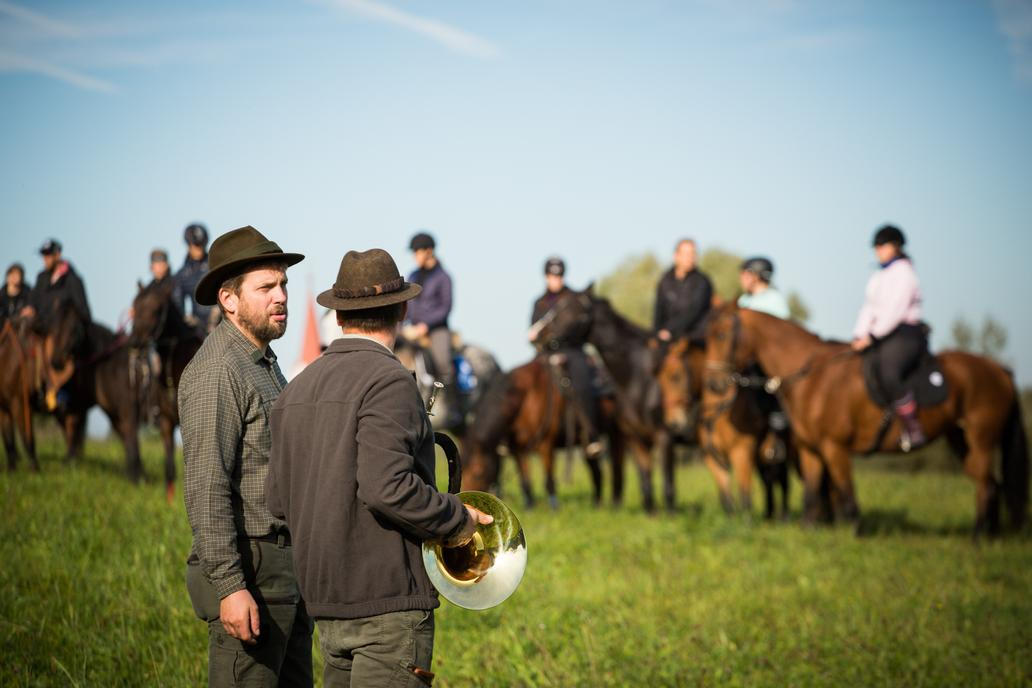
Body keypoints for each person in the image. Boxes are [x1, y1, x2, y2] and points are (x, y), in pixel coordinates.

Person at [266, 248, 492, 687]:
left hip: (325, 604)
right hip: (387, 607)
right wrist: (458, 519)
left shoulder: (295, 388)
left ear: (340, 314)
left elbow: (279, 501)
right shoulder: (389, 380)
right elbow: (387, 487)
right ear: (403, 309)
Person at [178, 226, 312, 687]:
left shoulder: (265, 363)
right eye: (267, 287)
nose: (281, 297)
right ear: (229, 300)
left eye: (284, 285)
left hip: (285, 573)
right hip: (252, 570)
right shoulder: (218, 371)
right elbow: (205, 488)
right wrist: (231, 588)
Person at [852, 224, 926, 450]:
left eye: (882, 245)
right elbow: (868, 308)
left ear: (896, 246)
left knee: (889, 371)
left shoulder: (905, 274)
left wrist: (872, 336)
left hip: (904, 333)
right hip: (879, 334)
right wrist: (858, 334)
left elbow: (895, 311)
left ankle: (913, 427)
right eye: (876, 246)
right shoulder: (879, 275)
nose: (878, 250)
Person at [529, 256, 603, 458]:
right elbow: (533, 330)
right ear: (546, 277)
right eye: (552, 275)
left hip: (571, 351)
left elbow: (583, 327)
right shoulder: (539, 303)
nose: (556, 279)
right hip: (545, 353)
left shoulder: (573, 299)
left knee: (582, 381)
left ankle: (591, 435)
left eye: (559, 275)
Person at [21, 239, 91, 411]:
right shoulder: (41, 278)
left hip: (63, 334)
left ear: (57, 255)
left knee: (57, 354)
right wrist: (29, 308)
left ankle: (60, 394)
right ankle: (27, 391)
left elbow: (84, 311)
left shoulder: (72, 279)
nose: (45, 259)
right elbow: (33, 301)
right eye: (43, 256)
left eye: (48, 255)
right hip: (40, 328)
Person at [405, 231, 460, 427]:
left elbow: (446, 307)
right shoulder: (413, 275)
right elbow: (408, 305)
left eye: (418, 251)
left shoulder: (443, 277)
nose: (415, 256)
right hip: (412, 330)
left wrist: (425, 325)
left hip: (436, 330)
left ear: (429, 251)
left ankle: (454, 408)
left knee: (443, 362)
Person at [654, 238, 713, 342]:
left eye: (693, 254)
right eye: (687, 254)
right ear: (676, 256)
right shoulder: (665, 280)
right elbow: (659, 311)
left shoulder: (702, 282)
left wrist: (670, 330)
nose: (691, 258)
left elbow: (694, 311)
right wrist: (657, 333)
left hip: (694, 339)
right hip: (666, 337)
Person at [173, 223, 215, 330]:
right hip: (197, 326)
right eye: (196, 246)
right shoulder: (181, 275)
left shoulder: (215, 265)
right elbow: (178, 304)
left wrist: (218, 312)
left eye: (202, 245)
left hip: (220, 320)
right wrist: (186, 318)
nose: (199, 249)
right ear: (189, 245)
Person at [0, 263, 32, 330]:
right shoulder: (2, 293)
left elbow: (30, 306)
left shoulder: (27, 292)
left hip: (19, 323)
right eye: (12, 274)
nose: (14, 277)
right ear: (7, 276)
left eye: (17, 274)